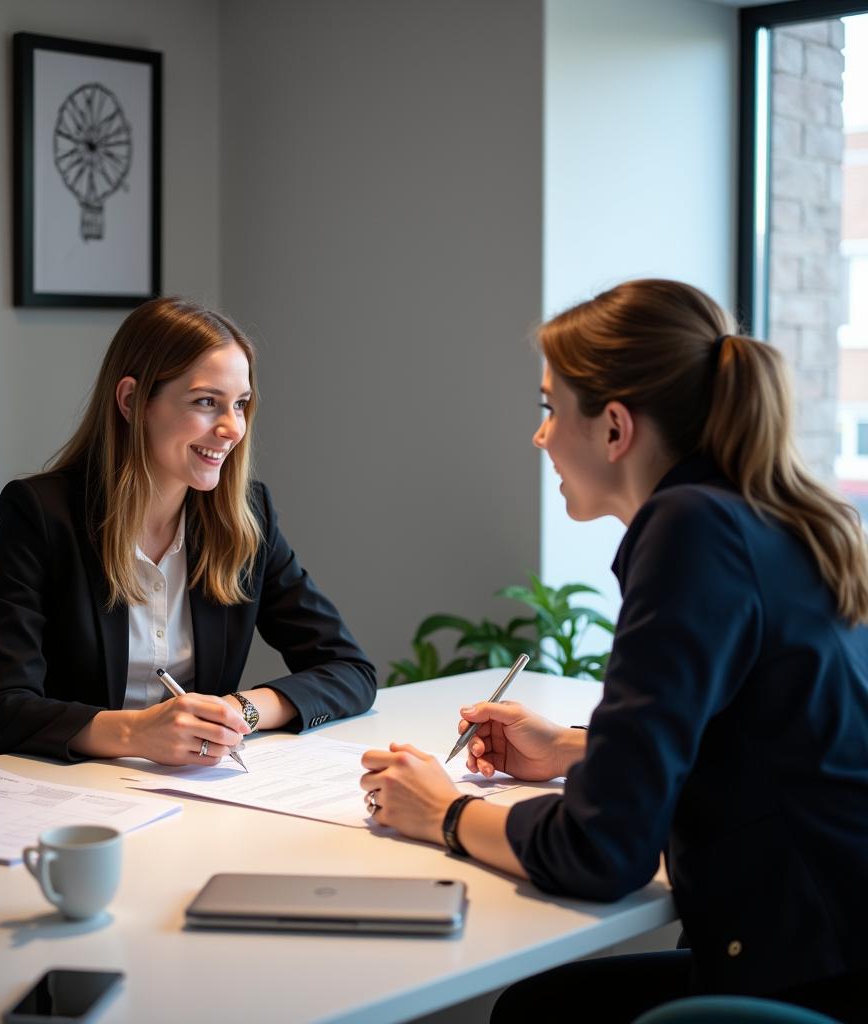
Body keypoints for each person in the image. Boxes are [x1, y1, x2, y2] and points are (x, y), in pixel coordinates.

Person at [358, 279, 868, 1022]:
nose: (539, 437)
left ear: (614, 428)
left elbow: (602, 852)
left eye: (548, 409)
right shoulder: (762, 510)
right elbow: (756, 731)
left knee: (538, 1014)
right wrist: (571, 749)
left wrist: (442, 810)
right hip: (831, 940)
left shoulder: (690, 529)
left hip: (812, 973)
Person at [0, 298, 376, 764]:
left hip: (181, 796)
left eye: (240, 405)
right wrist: (137, 733)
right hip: (57, 795)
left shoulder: (246, 518)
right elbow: (0, 710)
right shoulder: (42, 514)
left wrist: (237, 710)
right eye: (206, 402)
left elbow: (350, 670)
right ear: (131, 402)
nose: (231, 429)